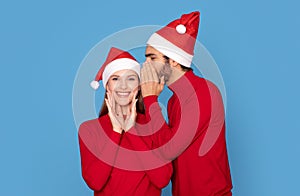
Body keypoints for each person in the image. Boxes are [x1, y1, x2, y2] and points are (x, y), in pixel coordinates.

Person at [140, 11, 233, 195]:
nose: (145, 65)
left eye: (152, 58)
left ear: (173, 61)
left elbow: (168, 150)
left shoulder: (204, 92)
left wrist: (150, 98)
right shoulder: (175, 100)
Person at [78, 47, 172, 196]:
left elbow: (162, 179)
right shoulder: (90, 129)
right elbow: (95, 182)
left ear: (139, 86)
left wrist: (131, 130)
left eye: (131, 78)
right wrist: (116, 131)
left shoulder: (154, 124)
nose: (123, 86)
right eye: (115, 79)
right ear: (107, 86)